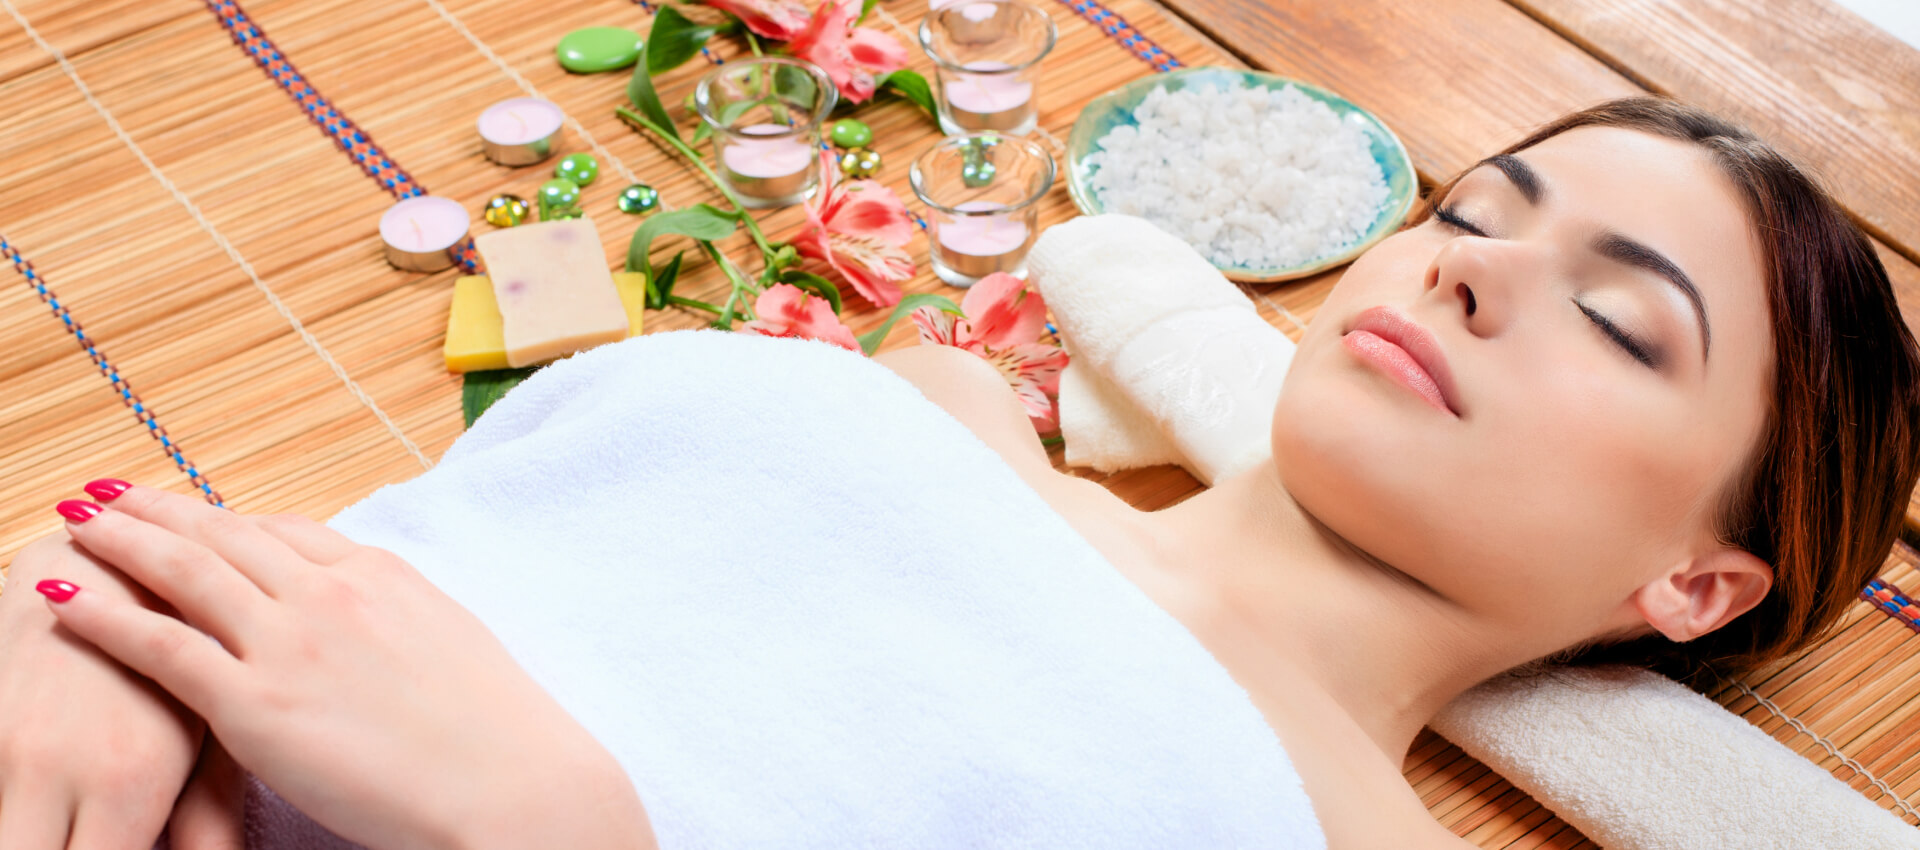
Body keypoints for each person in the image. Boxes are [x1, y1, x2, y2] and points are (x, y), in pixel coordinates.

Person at [5, 97, 1918, 849]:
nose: (1471, 268)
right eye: (1477, 210)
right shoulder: (939, 395)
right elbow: (408, 565)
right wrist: (89, 617)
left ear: (1698, 578)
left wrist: (560, 829)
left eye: (1622, 318)